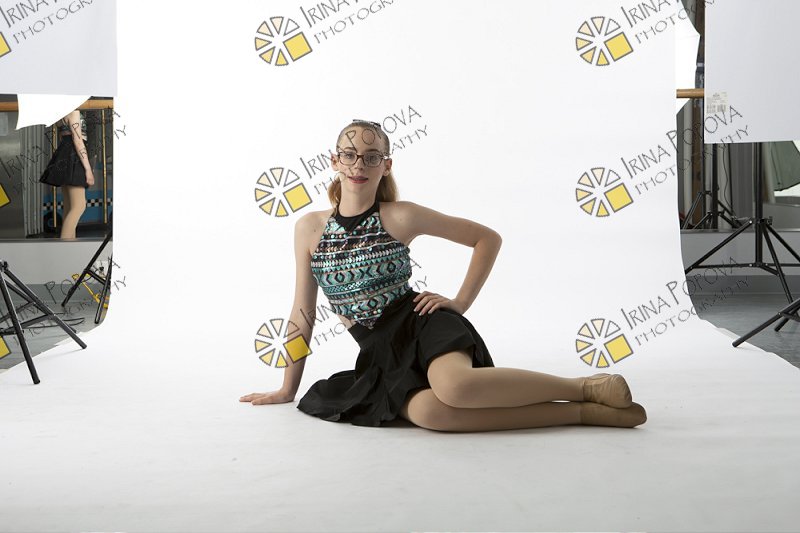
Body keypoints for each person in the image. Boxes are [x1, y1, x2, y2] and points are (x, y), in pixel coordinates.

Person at [240, 119, 647, 431]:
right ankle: (581, 414)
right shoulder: (309, 229)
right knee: (432, 415)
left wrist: (460, 302)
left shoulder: (401, 216)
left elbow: (486, 239)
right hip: (381, 353)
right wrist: (287, 389)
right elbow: (302, 313)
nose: (359, 165)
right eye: (349, 154)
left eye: (372, 156)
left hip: (423, 325)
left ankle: (585, 387)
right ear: (334, 161)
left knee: (456, 388)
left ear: (386, 165)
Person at [39, 109, 95, 239]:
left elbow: (63, 136)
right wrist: (88, 168)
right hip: (74, 155)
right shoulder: (74, 112)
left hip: (64, 152)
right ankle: (64, 246)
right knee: (79, 206)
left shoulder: (60, 113)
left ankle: (69, 244)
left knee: (69, 207)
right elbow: (78, 140)